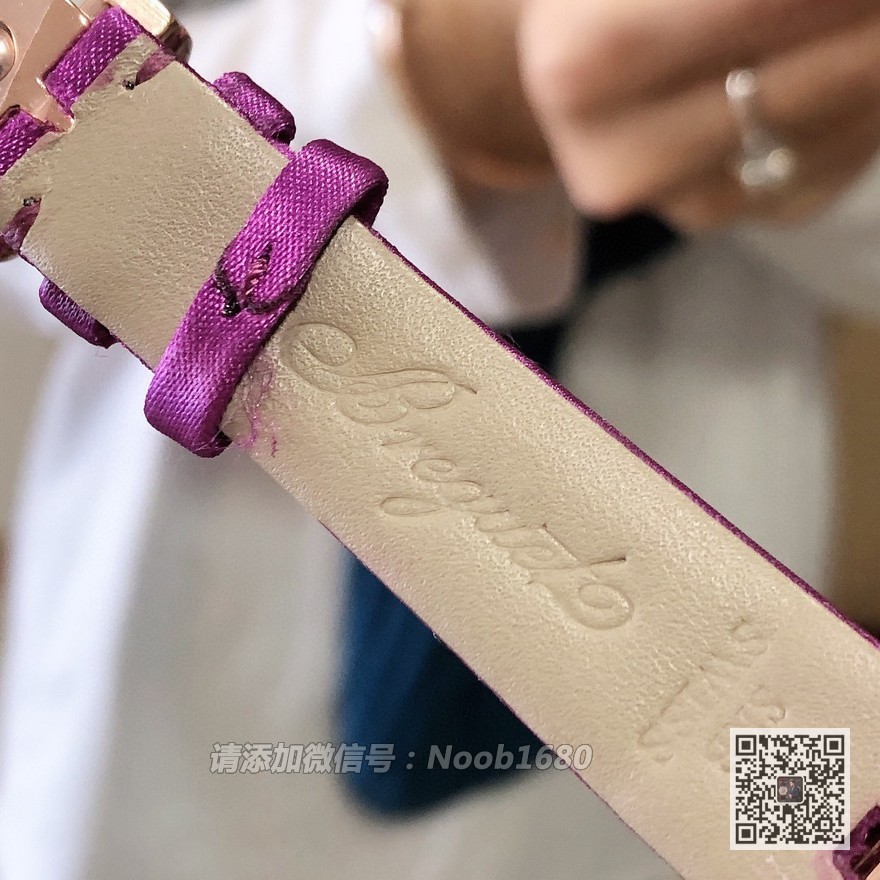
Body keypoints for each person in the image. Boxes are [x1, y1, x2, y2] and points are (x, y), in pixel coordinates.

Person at [0, 0, 878, 877]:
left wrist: (788, 131)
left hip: (742, 545)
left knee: (820, 839)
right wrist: (428, 73)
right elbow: (34, 173)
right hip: (200, 663)